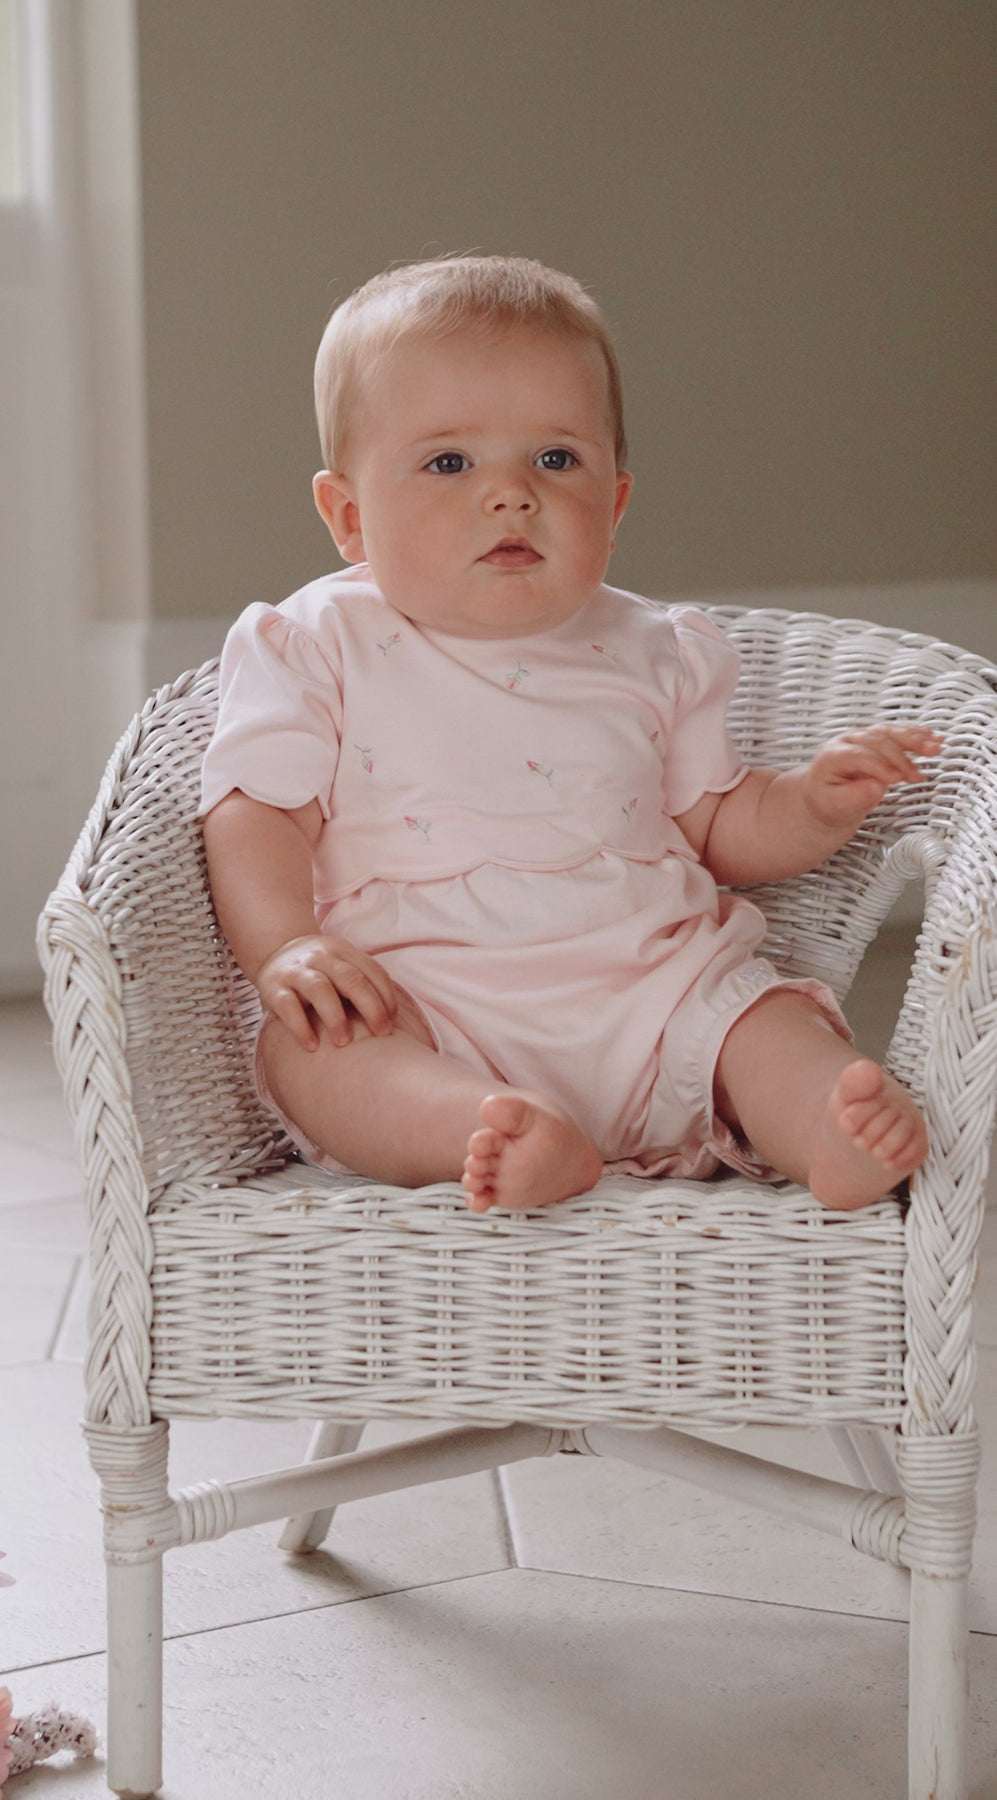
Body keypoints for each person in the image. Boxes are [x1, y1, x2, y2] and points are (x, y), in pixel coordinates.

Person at [200, 254, 937, 1217]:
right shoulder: (316, 643)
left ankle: (825, 1130)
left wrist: (810, 802)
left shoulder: (656, 649)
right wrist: (285, 944)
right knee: (318, 1055)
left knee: (762, 1023)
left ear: (614, 504)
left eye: (554, 459)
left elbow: (719, 825)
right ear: (349, 515)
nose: (510, 494)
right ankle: (490, 1129)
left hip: (655, 991)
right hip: (426, 1004)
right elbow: (257, 812)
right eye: (448, 463)